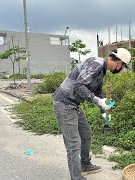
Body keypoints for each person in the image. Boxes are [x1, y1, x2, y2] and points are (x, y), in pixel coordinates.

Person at [52, 48, 131, 180]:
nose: (122, 70)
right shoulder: (96, 64)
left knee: (86, 133)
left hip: (74, 104)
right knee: (73, 143)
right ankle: (76, 177)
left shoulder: (102, 70)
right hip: (64, 103)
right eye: (123, 66)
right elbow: (79, 86)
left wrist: (104, 112)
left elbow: (98, 93)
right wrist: (99, 101)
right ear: (119, 62)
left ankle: (85, 164)